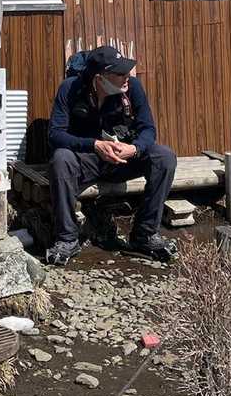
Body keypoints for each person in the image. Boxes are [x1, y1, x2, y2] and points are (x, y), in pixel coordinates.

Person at [44, 44, 178, 265]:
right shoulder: (70, 88)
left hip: (123, 158)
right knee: (61, 159)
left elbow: (148, 129)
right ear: (100, 78)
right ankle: (67, 238)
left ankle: (145, 235)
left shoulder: (133, 87)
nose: (127, 76)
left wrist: (134, 148)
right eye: (120, 73)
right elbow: (55, 135)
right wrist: (94, 145)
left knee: (164, 157)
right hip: (88, 159)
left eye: (127, 71)